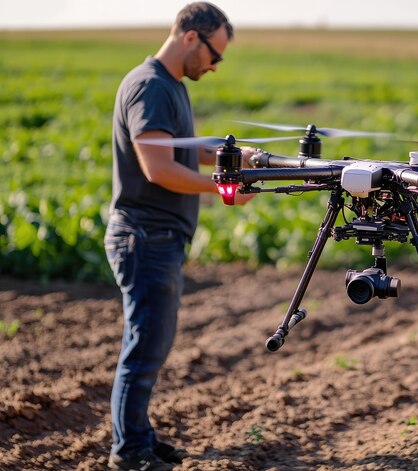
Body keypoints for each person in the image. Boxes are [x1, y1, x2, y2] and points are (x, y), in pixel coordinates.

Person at [104, 3, 255, 469]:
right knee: (144, 347)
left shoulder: (168, 85)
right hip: (145, 236)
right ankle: (129, 452)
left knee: (151, 342)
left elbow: (182, 149)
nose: (214, 66)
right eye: (215, 55)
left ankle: (139, 437)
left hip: (157, 237)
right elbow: (158, 167)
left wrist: (235, 156)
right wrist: (224, 186)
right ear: (191, 37)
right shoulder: (150, 86)